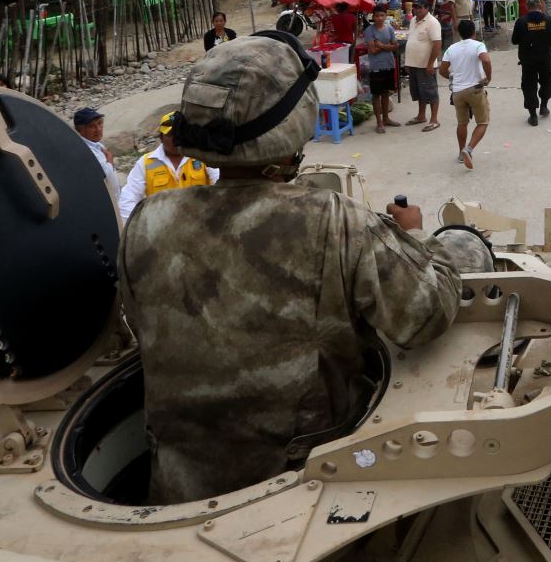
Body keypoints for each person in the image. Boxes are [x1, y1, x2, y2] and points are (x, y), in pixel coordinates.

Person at [124, 32, 461, 502]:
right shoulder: (334, 219)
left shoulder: (145, 221)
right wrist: (429, 238)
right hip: (299, 489)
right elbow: (425, 316)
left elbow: (143, 326)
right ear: (295, 127)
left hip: (178, 489)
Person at [118, 112, 219, 222]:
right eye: (171, 135)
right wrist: (136, 225)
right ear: (161, 137)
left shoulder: (203, 156)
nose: (176, 139)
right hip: (161, 229)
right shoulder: (145, 163)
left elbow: (220, 184)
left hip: (199, 224)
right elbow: (128, 197)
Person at [439, 18, 492, 167]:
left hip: (457, 91)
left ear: (459, 32)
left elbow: (442, 70)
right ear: (474, 32)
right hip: (475, 89)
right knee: (482, 122)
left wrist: (452, 77)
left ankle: (461, 153)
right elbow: (486, 60)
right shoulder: (478, 45)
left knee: (462, 123)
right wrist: (488, 78)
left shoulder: (451, 48)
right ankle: (468, 149)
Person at [511, 0, 551, 125]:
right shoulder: (548, 19)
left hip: (528, 60)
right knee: (546, 82)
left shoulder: (521, 21)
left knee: (529, 86)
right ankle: (544, 106)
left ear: (527, 7)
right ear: (540, 5)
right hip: (545, 58)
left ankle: (533, 116)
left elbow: (514, 41)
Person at [402, 0, 443, 132]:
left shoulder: (432, 22)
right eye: (415, 7)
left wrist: (430, 63)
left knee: (431, 92)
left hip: (426, 65)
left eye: (419, 7)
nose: (416, 9)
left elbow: (437, 44)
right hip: (414, 64)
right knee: (419, 92)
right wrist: (408, 62)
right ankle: (421, 116)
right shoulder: (413, 20)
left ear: (426, 8)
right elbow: (412, 40)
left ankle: (434, 119)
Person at [358, 10, 401, 134]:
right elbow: (372, 51)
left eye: (382, 15)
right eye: (377, 16)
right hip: (376, 67)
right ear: (373, 17)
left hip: (389, 64)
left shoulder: (389, 29)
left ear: (385, 16)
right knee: (376, 95)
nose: (380, 18)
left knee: (386, 93)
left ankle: (386, 118)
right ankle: (379, 122)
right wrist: (388, 46)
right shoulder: (369, 31)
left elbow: (396, 46)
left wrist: (381, 45)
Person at [72, 106, 118, 187]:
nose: (98, 129)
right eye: (91, 126)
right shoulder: (86, 151)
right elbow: (107, 175)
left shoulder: (96, 144)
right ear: (80, 130)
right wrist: (110, 157)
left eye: (100, 123)